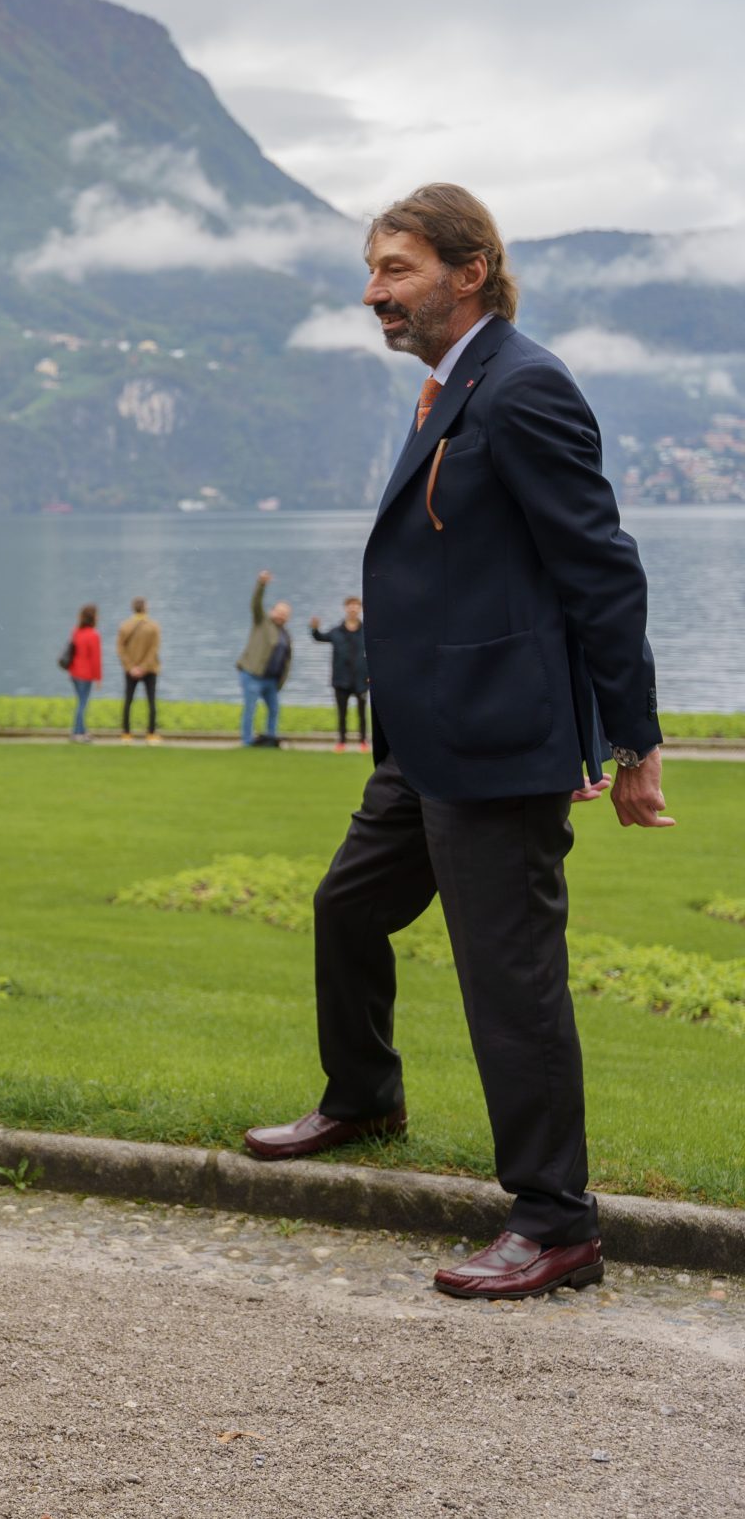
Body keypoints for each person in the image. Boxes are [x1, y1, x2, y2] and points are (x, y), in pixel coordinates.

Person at [244, 183, 674, 1303]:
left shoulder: (524, 387)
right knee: (347, 908)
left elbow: (600, 568)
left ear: (469, 270)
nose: (373, 294)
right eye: (373, 272)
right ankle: (364, 1098)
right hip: (427, 738)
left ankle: (557, 1223)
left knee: (510, 982)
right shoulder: (456, 385)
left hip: (497, 741)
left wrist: (632, 736)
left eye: (396, 270)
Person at [235, 572, 291, 747]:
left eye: (285, 614)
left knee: (274, 710)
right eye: (279, 612)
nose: (281, 616)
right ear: (272, 611)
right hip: (253, 675)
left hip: (271, 680)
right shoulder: (262, 622)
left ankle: (271, 738)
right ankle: (247, 741)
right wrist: (261, 584)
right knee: (250, 709)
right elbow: (256, 603)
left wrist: (281, 679)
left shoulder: (285, 634)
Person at [312, 598, 369, 751]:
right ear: (345, 608)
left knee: (362, 713)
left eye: (356, 606)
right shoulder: (336, 631)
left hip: (361, 680)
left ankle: (363, 741)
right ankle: (341, 742)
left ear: (360, 609)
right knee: (342, 713)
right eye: (350, 606)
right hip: (341, 680)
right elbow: (320, 637)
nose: (353, 609)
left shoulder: (367, 632)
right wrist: (315, 629)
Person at [117, 597, 162, 743]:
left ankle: (126, 733)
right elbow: (154, 649)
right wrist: (144, 666)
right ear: (145, 608)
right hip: (150, 669)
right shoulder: (153, 626)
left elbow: (120, 649)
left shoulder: (125, 626)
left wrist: (131, 667)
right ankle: (151, 733)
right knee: (151, 702)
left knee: (128, 701)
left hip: (130, 670)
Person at [63, 604, 102, 741]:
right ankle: (78, 733)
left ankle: (81, 730)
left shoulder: (76, 632)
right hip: (86, 675)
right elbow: (96, 659)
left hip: (74, 672)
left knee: (80, 702)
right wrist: (98, 678)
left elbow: (72, 652)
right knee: (82, 704)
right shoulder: (93, 635)